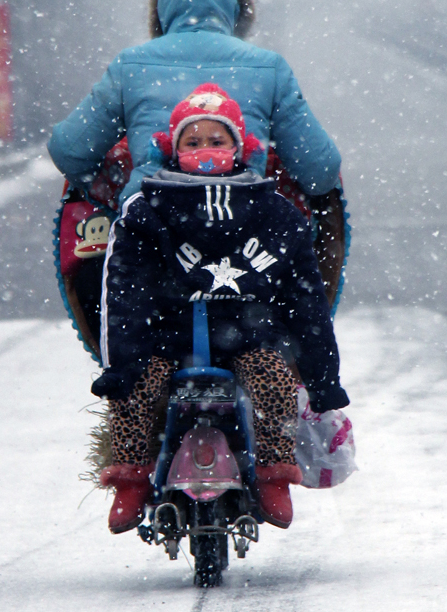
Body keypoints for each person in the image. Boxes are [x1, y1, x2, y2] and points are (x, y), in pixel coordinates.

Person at [92, 84, 349, 535]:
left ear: (239, 147)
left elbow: (304, 299)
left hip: (247, 338)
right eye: (192, 142)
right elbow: (123, 290)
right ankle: (132, 474)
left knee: (272, 382)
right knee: (136, 388)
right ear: (172, 149)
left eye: (217, 140)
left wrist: (322, 378)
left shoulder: (275, 212)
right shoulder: (145, 209)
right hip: (166, 339)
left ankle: (273, 472)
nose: (205, 150)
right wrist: (121, 365)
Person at [47, 0, 343, 205]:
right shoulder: (269, 67)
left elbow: (69, 151)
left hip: (151, 231)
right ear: (235, 7)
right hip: (244, 228)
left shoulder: (131, 65)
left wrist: (119, 185)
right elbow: (320, 171)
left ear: (161, 10)